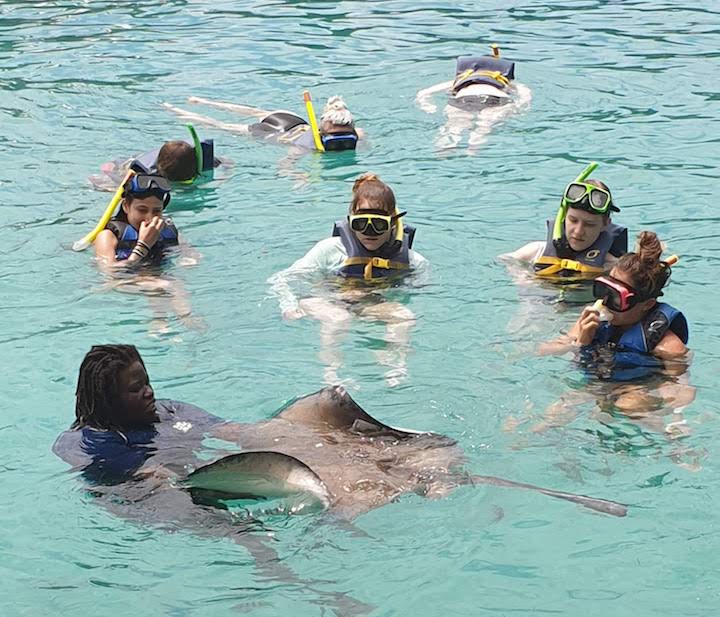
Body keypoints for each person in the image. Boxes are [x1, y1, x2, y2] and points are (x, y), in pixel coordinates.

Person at [268, 173, 429, 386]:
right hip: (325, 299)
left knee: (404, 317)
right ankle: (332, 373)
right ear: (350, 220)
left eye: (378, 225)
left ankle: (394, 365)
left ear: (393, 222)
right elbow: (280, 279)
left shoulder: (414, 261)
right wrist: (287, 305)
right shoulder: (331, 249)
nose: (369, 232)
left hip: (367, 304)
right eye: (361, 223)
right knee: (338, 318)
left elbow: (418, 290)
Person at [531, 231, 695, 439]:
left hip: (638, 387)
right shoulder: (590, 322)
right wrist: (581, 340)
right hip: (597, 383)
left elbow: (681, 384)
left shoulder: (667, 344)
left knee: (628, 404)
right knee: (555, 412)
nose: (606, 302)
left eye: (616, 298)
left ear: (647, 305)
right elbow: (544, 350)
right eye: (604, 290)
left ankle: (670, 442)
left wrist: (676, 419)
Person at [92, 174, 202, 335]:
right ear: (126, 206)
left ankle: (170, 321)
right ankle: (177, 320)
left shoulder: (167, 230)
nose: (149, 218)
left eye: (156, 211)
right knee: (165, 284)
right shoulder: (108, 236)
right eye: (142, 210)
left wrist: (189, 258)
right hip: (121, 283)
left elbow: (192, 253)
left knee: (169, 282)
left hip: (155, 278)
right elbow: (110, 274)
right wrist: (142, 247)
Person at [501, 164, 628, 281]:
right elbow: (503, 261)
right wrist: (522, 277)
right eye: (573, 220)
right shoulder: (535, 253)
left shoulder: (614, 269)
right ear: (563, 217)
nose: (578, 231)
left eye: (589, 224)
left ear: (605, 224)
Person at [415, 45, 531, 152]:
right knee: (485, 125)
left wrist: (428, 106)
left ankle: (445, 149)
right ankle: (473, 148)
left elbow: (423, 93)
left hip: (464, 98)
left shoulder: (458, 81)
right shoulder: (511, 85)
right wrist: (520, 108)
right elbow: (526, 95)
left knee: (454, 126)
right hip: (497, 99)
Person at [89, 127, 222, 191]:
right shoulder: (144, 172)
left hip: (160, 161)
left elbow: (226, 163)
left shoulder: (209, 161)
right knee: (110, 169)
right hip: (131, 162)